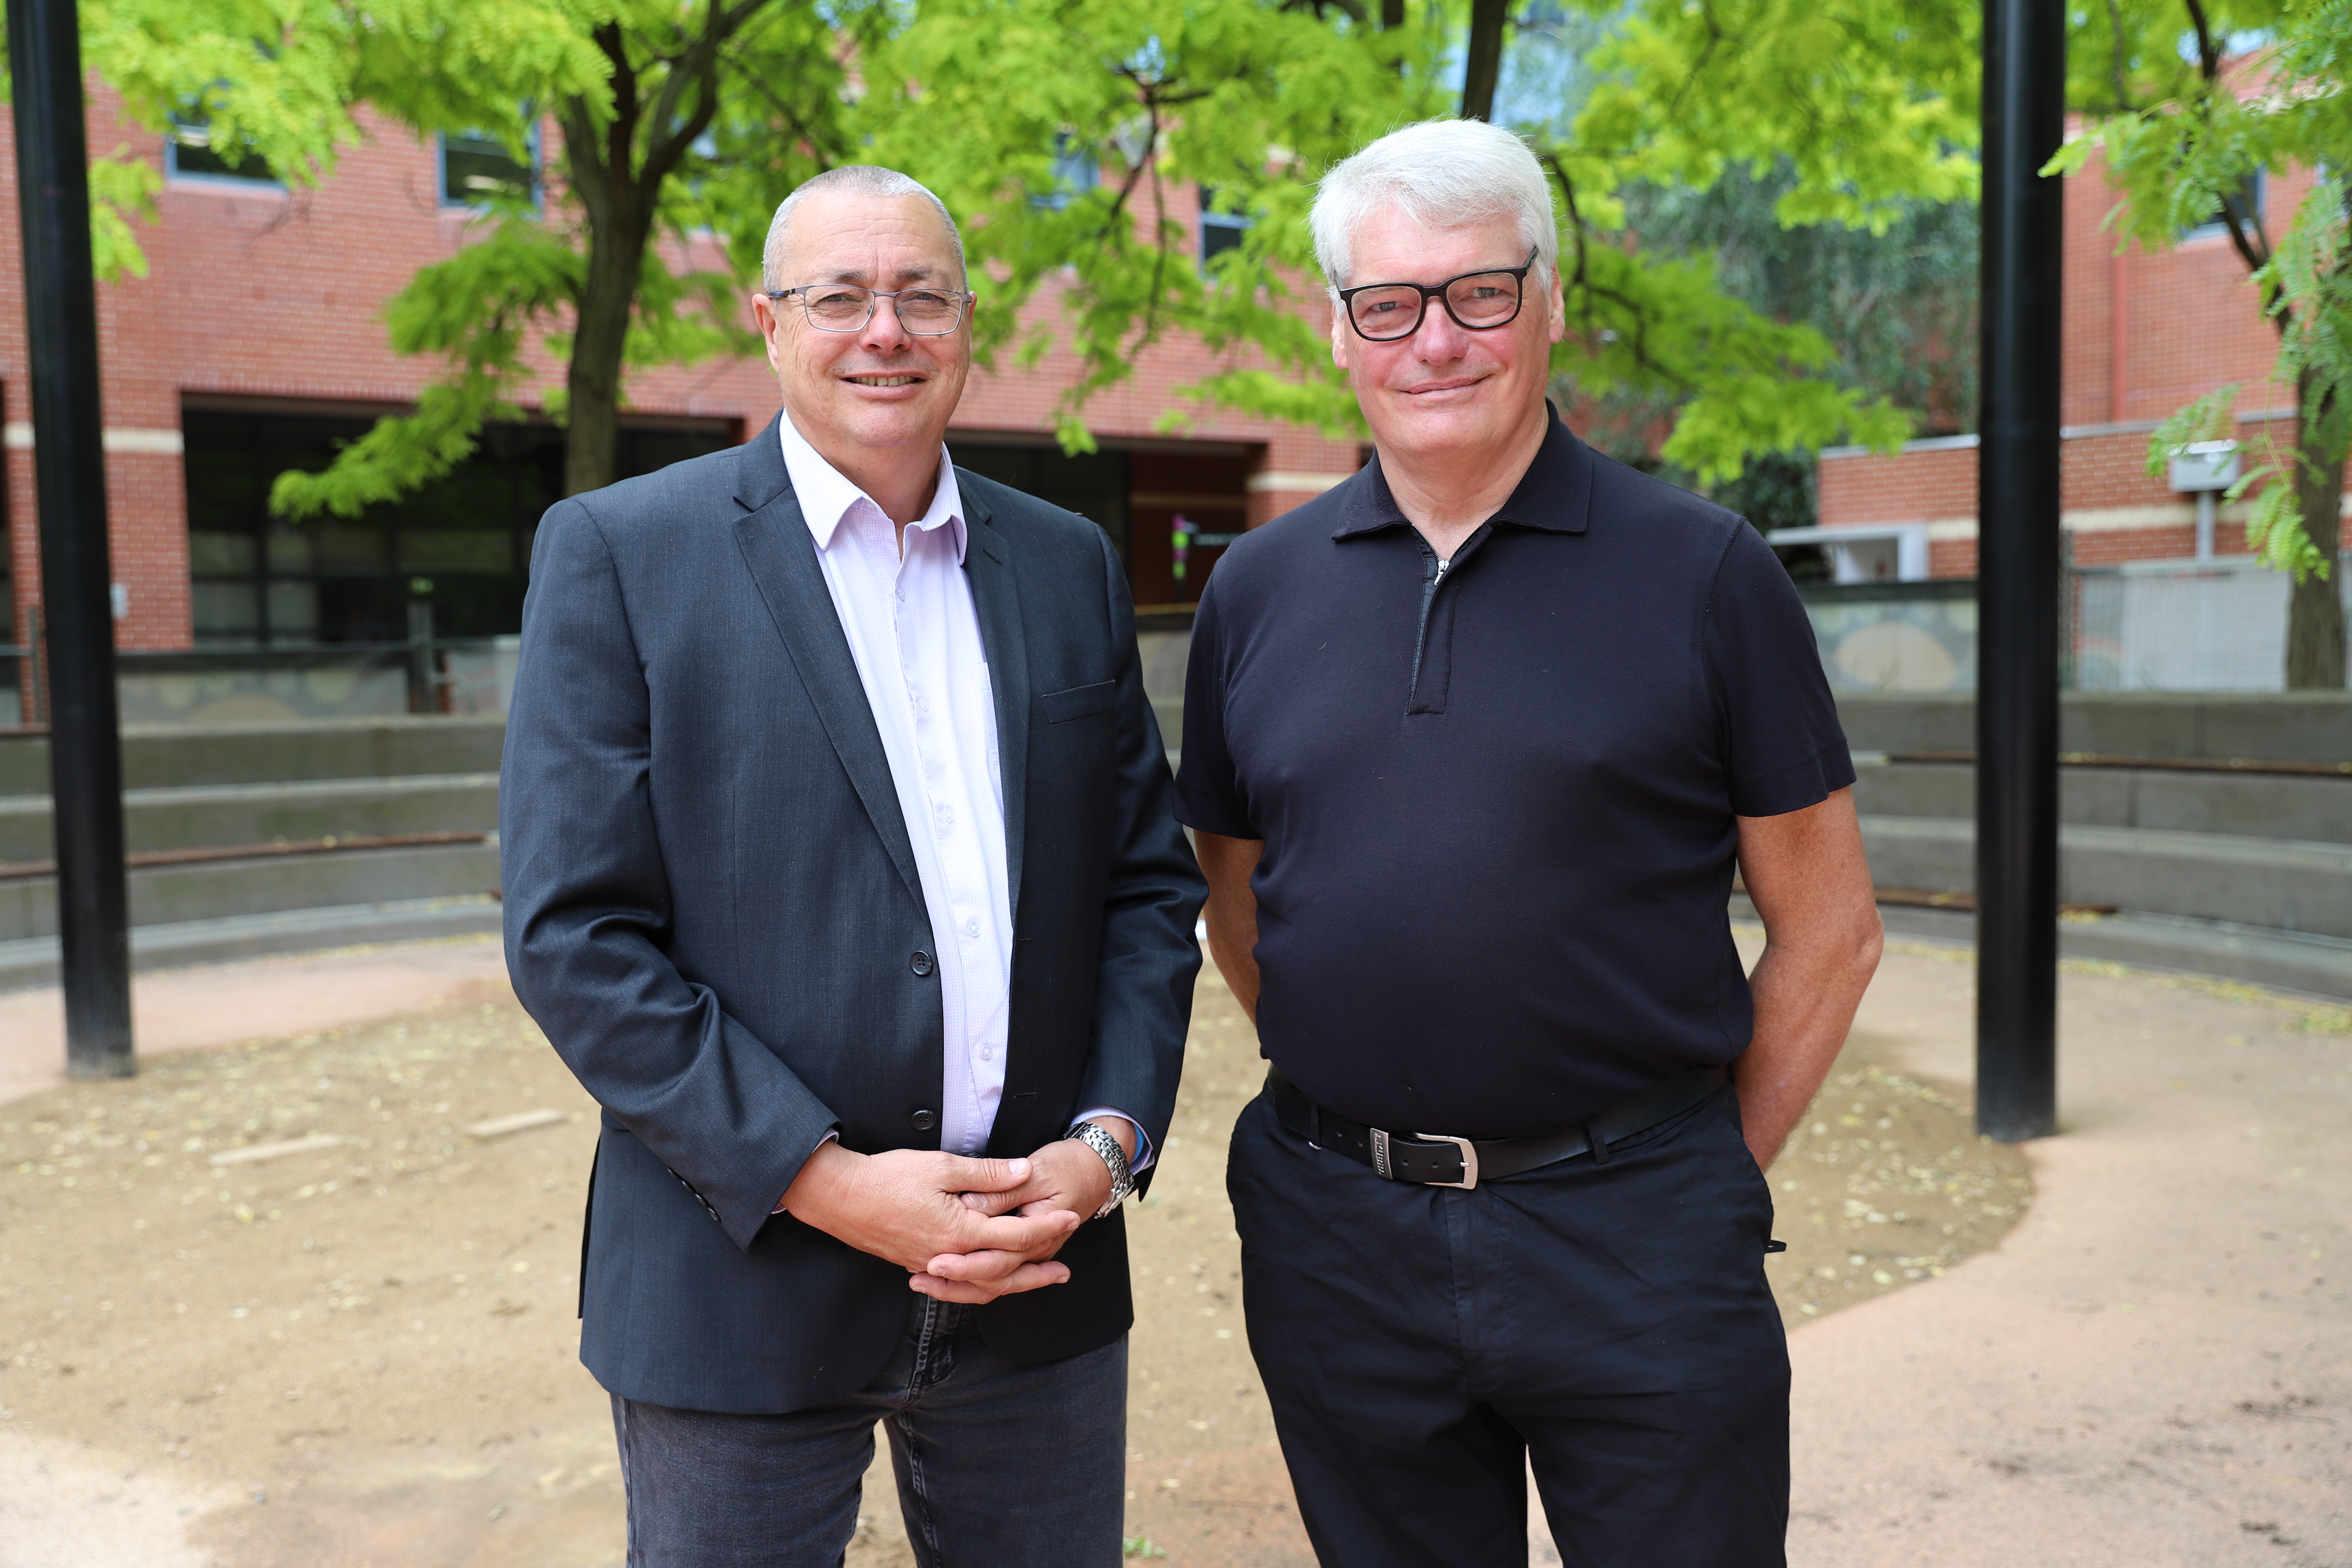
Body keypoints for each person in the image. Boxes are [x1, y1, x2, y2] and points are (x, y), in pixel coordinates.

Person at [1176, 119, 1883, 1567]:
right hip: (1337, 1240)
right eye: (1391, 303)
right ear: (1339, 330)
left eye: (1479, 292)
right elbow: (1234, 900)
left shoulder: (1706, 574)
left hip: (1640, 1243)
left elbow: (1831, 927)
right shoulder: (1253, 591)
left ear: (1549, 301)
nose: (1435, 339)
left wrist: (1704, 1182)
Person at [501, 164, 1205, 1568]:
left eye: (920, 295)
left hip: (1036, 1273)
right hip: (740, 1276)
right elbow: (575, 936)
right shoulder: (621, 554)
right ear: (770, 324)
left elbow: (1144, 889)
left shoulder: (1066, 564)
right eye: (840, 295)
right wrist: (823, 1181)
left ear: (966, 325)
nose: (884, 328)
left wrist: (1104, 1151)